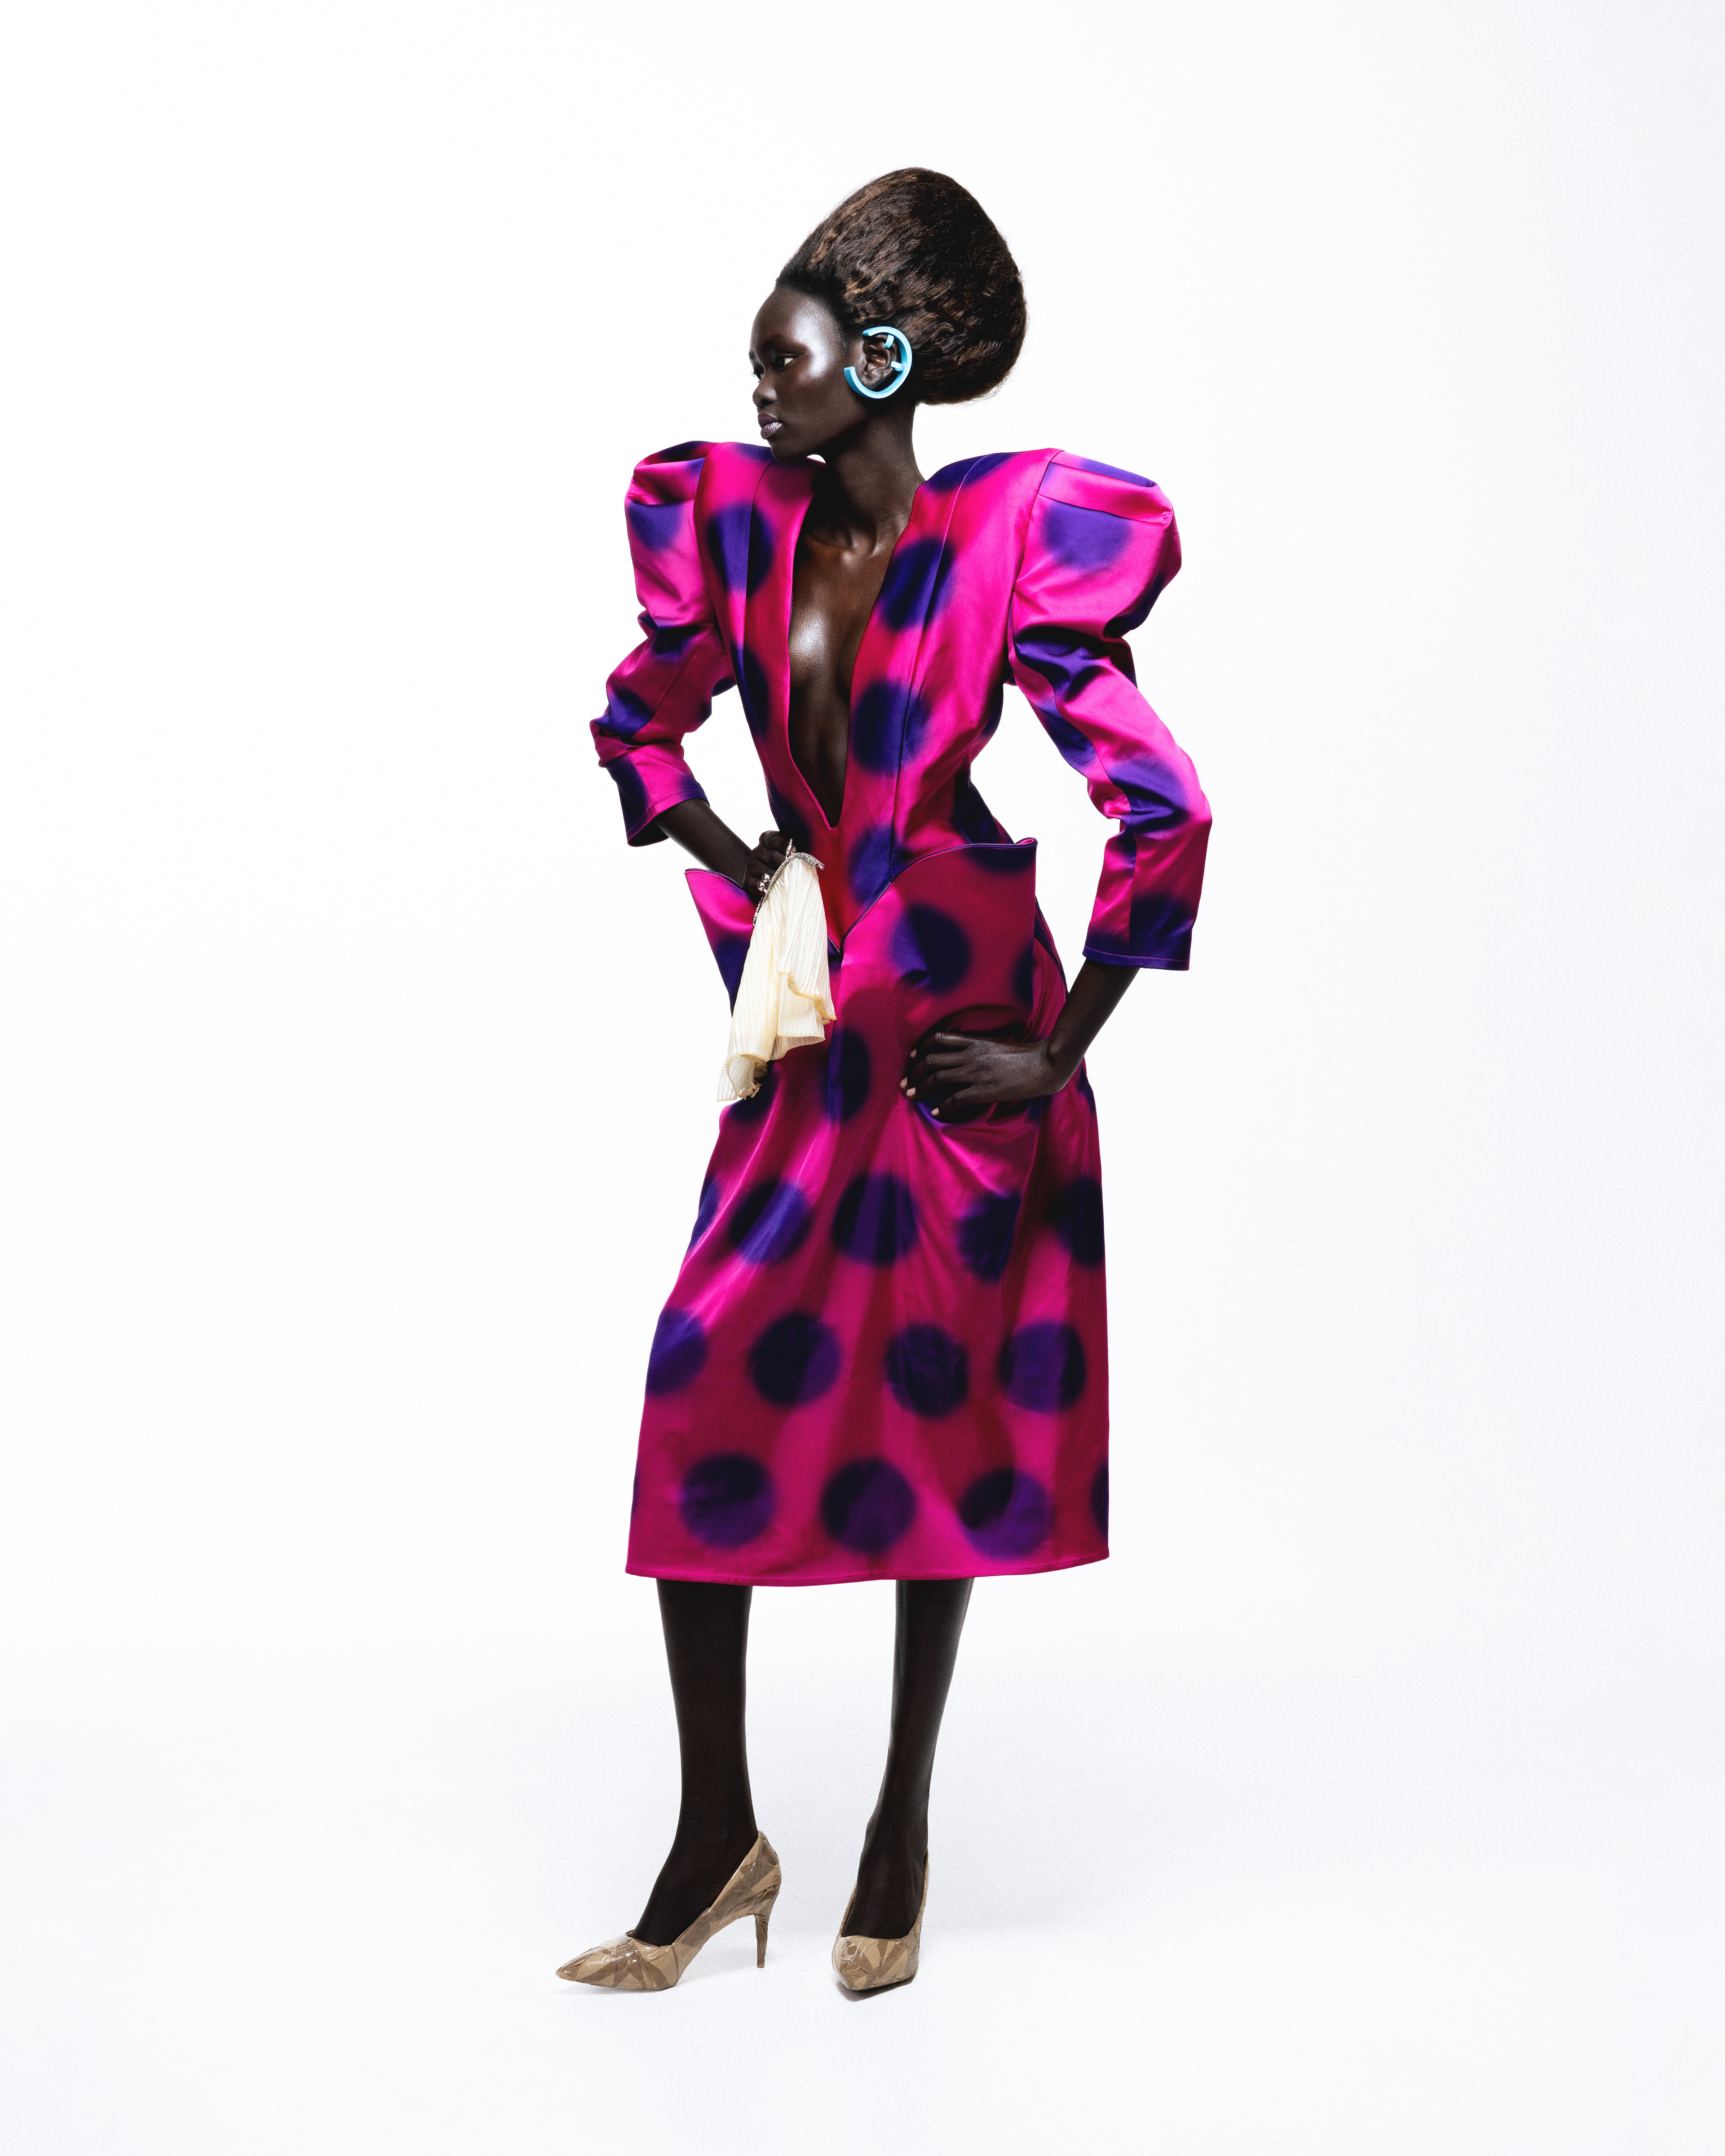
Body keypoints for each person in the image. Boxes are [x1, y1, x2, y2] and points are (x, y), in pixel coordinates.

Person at [559, 168, 1211, 1994]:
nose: (758, 387)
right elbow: (637, 718)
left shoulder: (1009, 539)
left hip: (952, 1020)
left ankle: (899, 1828)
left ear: (883, 363)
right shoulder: (736, 525)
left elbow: (1163, 806)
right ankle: (715, 1834)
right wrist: (741, 858)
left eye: (783, 358)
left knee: (940, 1404)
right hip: (811, 1014)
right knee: (704, 1368)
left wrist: (1059, 1050)